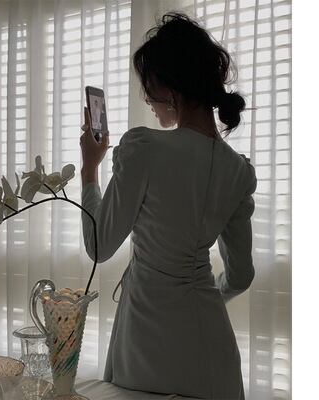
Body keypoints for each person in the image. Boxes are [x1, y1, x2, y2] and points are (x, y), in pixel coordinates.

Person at [79, 12, 257, 400]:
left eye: (148, 89)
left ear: (169, 87)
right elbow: (241, 275)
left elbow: (99, 245)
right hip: (214, 353)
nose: (148, 100)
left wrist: (90, 169)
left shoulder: (145, 148)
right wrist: (201, 294)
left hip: (149, 346)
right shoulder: (238, 171)